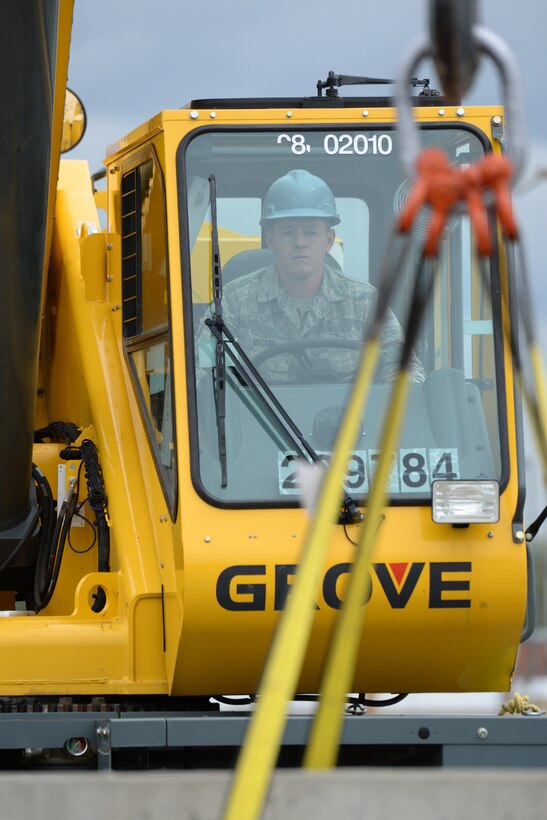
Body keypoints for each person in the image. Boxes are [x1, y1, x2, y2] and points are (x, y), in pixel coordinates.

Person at [211, 169, 425, 384]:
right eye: (288, 232)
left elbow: (405, 373)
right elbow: (205, 373)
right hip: (258, 417)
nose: (300, 242)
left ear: (329, 240)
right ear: (270, 240)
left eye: (311, 232)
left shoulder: (365, 302)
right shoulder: (233, 301)